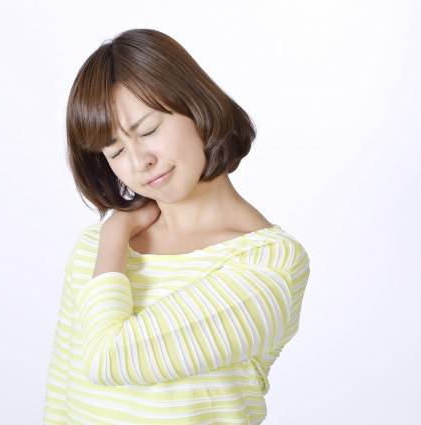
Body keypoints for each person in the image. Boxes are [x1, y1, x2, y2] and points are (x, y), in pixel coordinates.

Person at [42, 28, 311, 425]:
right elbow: (62, 400)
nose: (140, 161)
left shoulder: (269, 264)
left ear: (197, 108)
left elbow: (108, 358)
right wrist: (110, 240)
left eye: (148, 130)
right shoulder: (93, 249)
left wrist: (115, 235)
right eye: (115, 151)